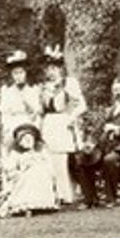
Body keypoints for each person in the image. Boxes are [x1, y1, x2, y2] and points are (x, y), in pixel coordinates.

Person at [73, 81, 120, 206]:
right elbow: (100, 131)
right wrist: (91, 143)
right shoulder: (110, 111)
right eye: (115, 90)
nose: (118, 93)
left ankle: (110, 198)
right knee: (82, 160)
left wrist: (117, 129)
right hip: (106, 147)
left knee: (109, 160)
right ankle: (90, 199)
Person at [38, 45, 86, 205]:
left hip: (62, 122)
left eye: (54, 68)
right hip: (48, 124)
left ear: (60, 68)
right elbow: (40, 109)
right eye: (48, 69)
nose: (51, 72)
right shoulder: (43, 87)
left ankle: (67, 195)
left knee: (62, 160)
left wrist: (71, 117)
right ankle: (53, 195)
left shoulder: (68, 83)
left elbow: (82, 105)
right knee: (48, 160)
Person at [0, 124, 59, 218]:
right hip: (24, 177)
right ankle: (26, 205)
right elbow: (10, 169)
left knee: (40, 173)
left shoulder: (41, 152)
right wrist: (20, 170)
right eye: (25, 140)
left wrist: (44, 167)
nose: (28, 142)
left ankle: (43, 204)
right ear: (19, 142)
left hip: (41, 177)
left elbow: (49, 165)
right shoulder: (16, 154)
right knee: (28, 177)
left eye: (30, 139)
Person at [0, 50, 40, 162]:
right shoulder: (6, 91)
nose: (18, 76)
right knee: (12, 157)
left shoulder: (33, 90)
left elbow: (37, 112)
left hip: (28, 126)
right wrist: (8, 129)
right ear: (11, 75)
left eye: (21, 73)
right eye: (15, 73)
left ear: (25, 73)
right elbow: (4, 113)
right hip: (12, 126)